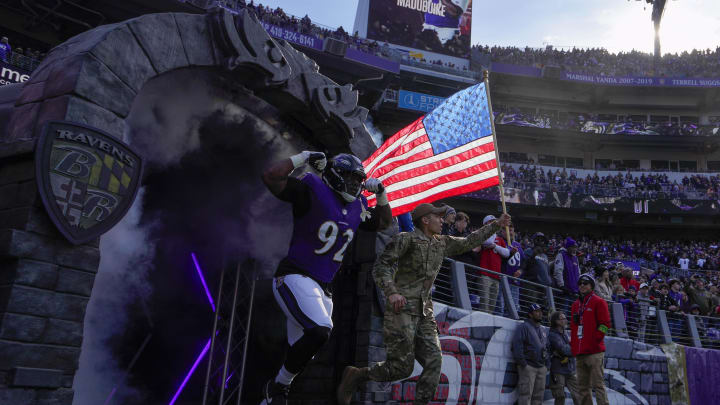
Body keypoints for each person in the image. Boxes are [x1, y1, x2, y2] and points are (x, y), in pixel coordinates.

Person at [336, 204, 511, 405]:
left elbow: (469, 241)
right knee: (401, 368)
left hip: (425, 313)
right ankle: (357, 375)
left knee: (434, 362)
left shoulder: (442, 243)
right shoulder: (406, 239)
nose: (442, 220)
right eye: (438, 217)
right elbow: (381, 266)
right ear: (425, 220)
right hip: (402, 310)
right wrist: (392, 292)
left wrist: (496, 225)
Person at [260, 151, 392, 404]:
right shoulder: (313, 189)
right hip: (294, 275)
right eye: (349, 177)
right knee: (320, 331)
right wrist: (303, 157)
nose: (355, 184)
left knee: (303, 351)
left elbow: (384, 223)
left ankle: (270, 398)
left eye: (358, 179)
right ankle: (277, 387)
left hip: (323, 287)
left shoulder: (357, 206)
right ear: (334, 174)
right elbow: (271, 176)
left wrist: (381, 194)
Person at [570, 274, 610, 405]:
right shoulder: (575, 305)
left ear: (591, 286)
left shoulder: (599, 301)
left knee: (598, 385)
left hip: (594, 351)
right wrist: (574, 347)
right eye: (580, 283)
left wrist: (596, 340)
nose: (582, 285)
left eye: (585, 283)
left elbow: (605, 325)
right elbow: (573, 327)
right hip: (580, 353)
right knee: (582, 387)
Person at [512, 303, 548, 405]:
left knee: (539, 396)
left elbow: (547, 347)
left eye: (541, 311)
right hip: (528, 366)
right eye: (537, 311)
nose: (540, 313)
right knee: (525, 395)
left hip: (541, 367)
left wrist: (546, 366)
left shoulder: (543, 329)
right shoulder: (523, 327)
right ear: (530, 314)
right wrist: (524, 364)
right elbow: (517, 346)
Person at [477, 214, 511, 313]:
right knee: (485, 303)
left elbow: (507, 253)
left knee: (491, 306)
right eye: (490, 222)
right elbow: (487, 242)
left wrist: (495, 246)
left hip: (496, 275)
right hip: (485, 273)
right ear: (485, 224)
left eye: (494, 221)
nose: (493, 223)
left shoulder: (500, 239)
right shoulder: (482, 234)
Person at [548, 311, 581, 405]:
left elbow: (572, 349)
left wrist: (573, 347)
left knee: (578, 395)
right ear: (557, 321)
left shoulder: (565, 333)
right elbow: (565, 350)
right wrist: (574, 347)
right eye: (563, 319)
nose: (566, 320)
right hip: (558, 370)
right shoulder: (553, 335)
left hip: (570, 369)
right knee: (560, 397)